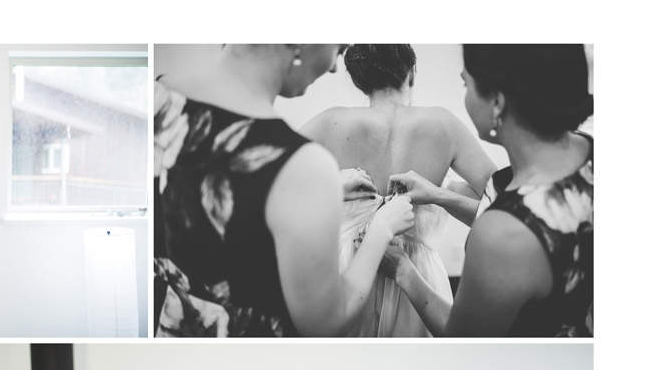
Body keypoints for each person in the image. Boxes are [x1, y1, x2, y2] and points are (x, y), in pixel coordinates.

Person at [153, 44, 414, 336]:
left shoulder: (156, 98)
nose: (333, 68)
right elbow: (326, 322)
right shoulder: (302, 164)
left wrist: (306, 193)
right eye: (338, 49)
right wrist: (381, 229)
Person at [387, 45, 593, 336]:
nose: (465, 96)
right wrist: (438, 194)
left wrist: (403, 270)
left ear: (497, 102)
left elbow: (461, 339)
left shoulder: (500, 236)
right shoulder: (586, 150)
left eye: (465, 83)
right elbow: (533, 226)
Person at [299, 44, 496, 336]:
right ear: (412, 73)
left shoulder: (330, 122)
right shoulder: (444, 124)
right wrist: (443, 195)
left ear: (359, 80)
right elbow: (507, 207)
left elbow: (267, 186)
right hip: (420, 281)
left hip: (348, 275)